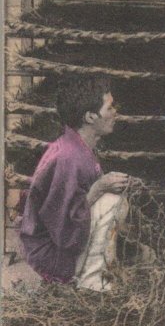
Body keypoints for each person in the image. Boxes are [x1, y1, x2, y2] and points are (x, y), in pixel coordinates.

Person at [20, 75, 133, 291]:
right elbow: (62, 229)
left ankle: (97, 269)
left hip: (57, 242)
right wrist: (99, 188)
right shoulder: (69, 158)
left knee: (116, 199)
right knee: (111, 200)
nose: (115, 112)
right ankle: (90, 281)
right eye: (109, 107)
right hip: (52, 253)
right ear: (90, 117)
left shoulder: (77, 146)